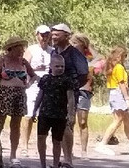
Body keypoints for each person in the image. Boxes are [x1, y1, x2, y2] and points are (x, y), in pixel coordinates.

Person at [50, 22, 89, 168]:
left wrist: (72, 87)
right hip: (54, 94)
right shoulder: (54, 52)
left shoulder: (74, 53)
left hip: (69, 94)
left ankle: (68, 159)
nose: (53, 37)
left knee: (67, 124)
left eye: (57, 34)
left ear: (66, 36)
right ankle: (58, 160)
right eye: (53, 34)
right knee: (56, 124)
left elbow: (83, 74)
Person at [0, 35, 37, 166]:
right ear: (12, 48)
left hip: (19, 94)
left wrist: (28, 84)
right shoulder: (2, 60)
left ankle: (13, 155)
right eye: (19, 48)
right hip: (4, 94)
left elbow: (33, 75)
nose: (22, 50)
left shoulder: (23, 62)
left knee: (16, 125)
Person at [34, 54, 78, 168]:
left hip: (60, 115)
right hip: (44, 113)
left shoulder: (67, 80)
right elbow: (40, 95)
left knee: (57, 141)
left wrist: (71, 114)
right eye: (57, 66)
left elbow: (71, 98)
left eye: (62, 66)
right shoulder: (45, 79)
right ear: (51, 66)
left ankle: (55, 164)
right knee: (41, 138)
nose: (60, 68)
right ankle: (42, 164)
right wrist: (34, 110)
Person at [96, 46, 129, 156]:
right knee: (118, 120)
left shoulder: (113, 67)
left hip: (114, 93)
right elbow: (121, 84)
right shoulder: (119, 67)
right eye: (125, 56)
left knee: (127, 121)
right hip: (118, 93)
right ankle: (102, 143)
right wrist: (127, 98)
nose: (125, 58)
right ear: (120, 56)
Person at [25, 24, 53, 153]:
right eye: (42, 35)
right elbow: (24, 65)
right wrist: (34, 70)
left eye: (47, 35)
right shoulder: (31, 49)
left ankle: (42, 146)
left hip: (48, 85)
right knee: (29, 114)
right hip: (33, 85)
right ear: (37, 35)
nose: (44, 37)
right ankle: (24, 145)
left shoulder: (52, 51)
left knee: (45, 115)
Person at [69, 33, 94, 158]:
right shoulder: (69, 57)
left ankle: (84, 151)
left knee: (83, 121)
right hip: (72, 90)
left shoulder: (89, 58)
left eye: (76, 43)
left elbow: (97, 63)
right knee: (70, 121)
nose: (73, 46)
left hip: (84, 91)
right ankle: (69, 150)